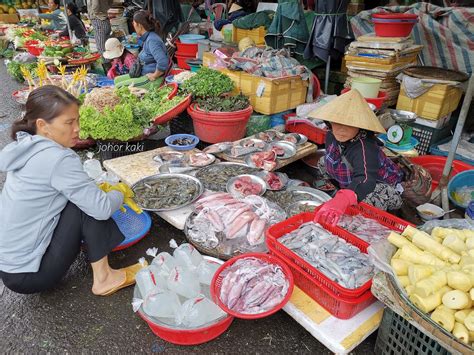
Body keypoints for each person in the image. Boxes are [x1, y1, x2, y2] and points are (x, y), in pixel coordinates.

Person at [0, 86, 145, 296]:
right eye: (69, 122)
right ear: (43, 125)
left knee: (85, 195)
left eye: (77, 120)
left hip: (10, 266)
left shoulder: (27, 145)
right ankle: (104, 278)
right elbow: (101, 209)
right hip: (30, 275)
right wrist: (120, 192)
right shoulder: (58, 158)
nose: (77, 128)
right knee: (90, 204)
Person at [310, 89, 404, 225]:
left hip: (381, 186)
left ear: (360, 125)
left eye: (349, 124)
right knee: (323, 161)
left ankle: (367, 217)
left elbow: (365, 179)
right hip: (351, 177)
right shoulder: (331, 135)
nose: (341, 129)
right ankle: (343, 191)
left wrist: (344, 198)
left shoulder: (365, 147)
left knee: (367, 197)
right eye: (337, 122)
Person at [114, 10, 169, 89]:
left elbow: (163, 62)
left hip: (153, 78)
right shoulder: (147, 38)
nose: (133, 26)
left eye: (134, 24)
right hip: (143, 73)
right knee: (116, 80)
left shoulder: (152, 40)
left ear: (139, 25)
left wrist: (154, 75)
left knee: (118, 87)